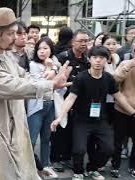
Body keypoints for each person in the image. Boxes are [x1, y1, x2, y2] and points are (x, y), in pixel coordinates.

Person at [0, 7, 71, 180]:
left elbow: (23, 76)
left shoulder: (5, 55)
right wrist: (50, 85)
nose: (14, 38)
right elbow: (11, 86)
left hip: (14, 128)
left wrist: (48, 77)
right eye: (10, 34)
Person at [51, 46, 135, 180]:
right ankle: (78, 171)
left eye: (101, 58)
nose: (98, 61)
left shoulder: (108, 78)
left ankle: (92, 168)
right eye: (94, 57)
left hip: (100, 120)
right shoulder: (81, 77)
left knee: (108, 149)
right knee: (79, 149)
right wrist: (60, 117)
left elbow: (119, 96)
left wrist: (133, 113)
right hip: (81, 119)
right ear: (89, 59)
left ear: (107, 60)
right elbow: (71, 98)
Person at [51, 29, 90, 172]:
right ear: (73, 42)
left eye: (86, 41)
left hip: (80, 100)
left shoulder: (87, 60)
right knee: (60, 129)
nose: (84, 44)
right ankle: (56, 158)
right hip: (63, 97)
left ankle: (67, 156)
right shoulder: (62, 57)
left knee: (74, 129)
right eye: (81, 41)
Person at [27, 37, 59, 172]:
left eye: (45, 48)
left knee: (46, 137)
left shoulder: (55, 62)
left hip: (50, 104)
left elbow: (59, 81)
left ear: (51, 50)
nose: (42, 51)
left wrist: (54, 68)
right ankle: (28, 166)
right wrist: (51, 68)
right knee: (32, 139)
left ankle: (46, 164)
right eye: (39, 48)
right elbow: (44, 82)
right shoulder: (33, 64)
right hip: (36, 105)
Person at [111, 40, 135, 178]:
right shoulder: (126, 64)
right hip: (122, 108)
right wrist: (129, 65)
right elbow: (115, 80)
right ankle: (115, 165)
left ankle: (133, 166)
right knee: (117, 140)